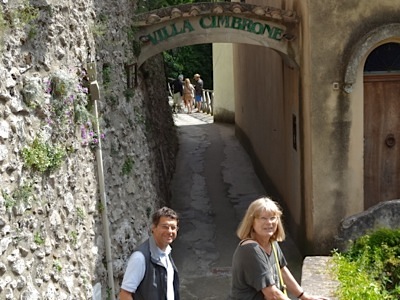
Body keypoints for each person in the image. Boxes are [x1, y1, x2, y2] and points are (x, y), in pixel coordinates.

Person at [230, 196, 329, 300]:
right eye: (263, 218)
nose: (269, 222)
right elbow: (272, 294)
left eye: (273, 218)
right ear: (252, 221)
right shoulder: (251, 249)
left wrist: (305, 296)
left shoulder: (271, 242)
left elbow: (282, 271)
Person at [120, 207, 180, 300]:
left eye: (173, 228)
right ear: (154, 228)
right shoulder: (140, 257)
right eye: (165, 226)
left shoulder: (167, 252)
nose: (169, 231)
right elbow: (125, 295)